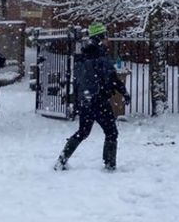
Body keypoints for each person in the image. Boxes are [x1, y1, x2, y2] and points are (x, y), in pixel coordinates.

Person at [54, 23, 129, 171]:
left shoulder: (82, 55)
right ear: (100, 37)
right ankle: (109, 164)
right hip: (99, 100)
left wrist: (80, 99)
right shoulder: (100, 55)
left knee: (83, 132)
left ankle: (62, 160)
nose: (108, 39)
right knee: (111, 132)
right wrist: (123, 91)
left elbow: (79, 80)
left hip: (85, 101)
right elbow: (111, 77)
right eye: (105, 35)